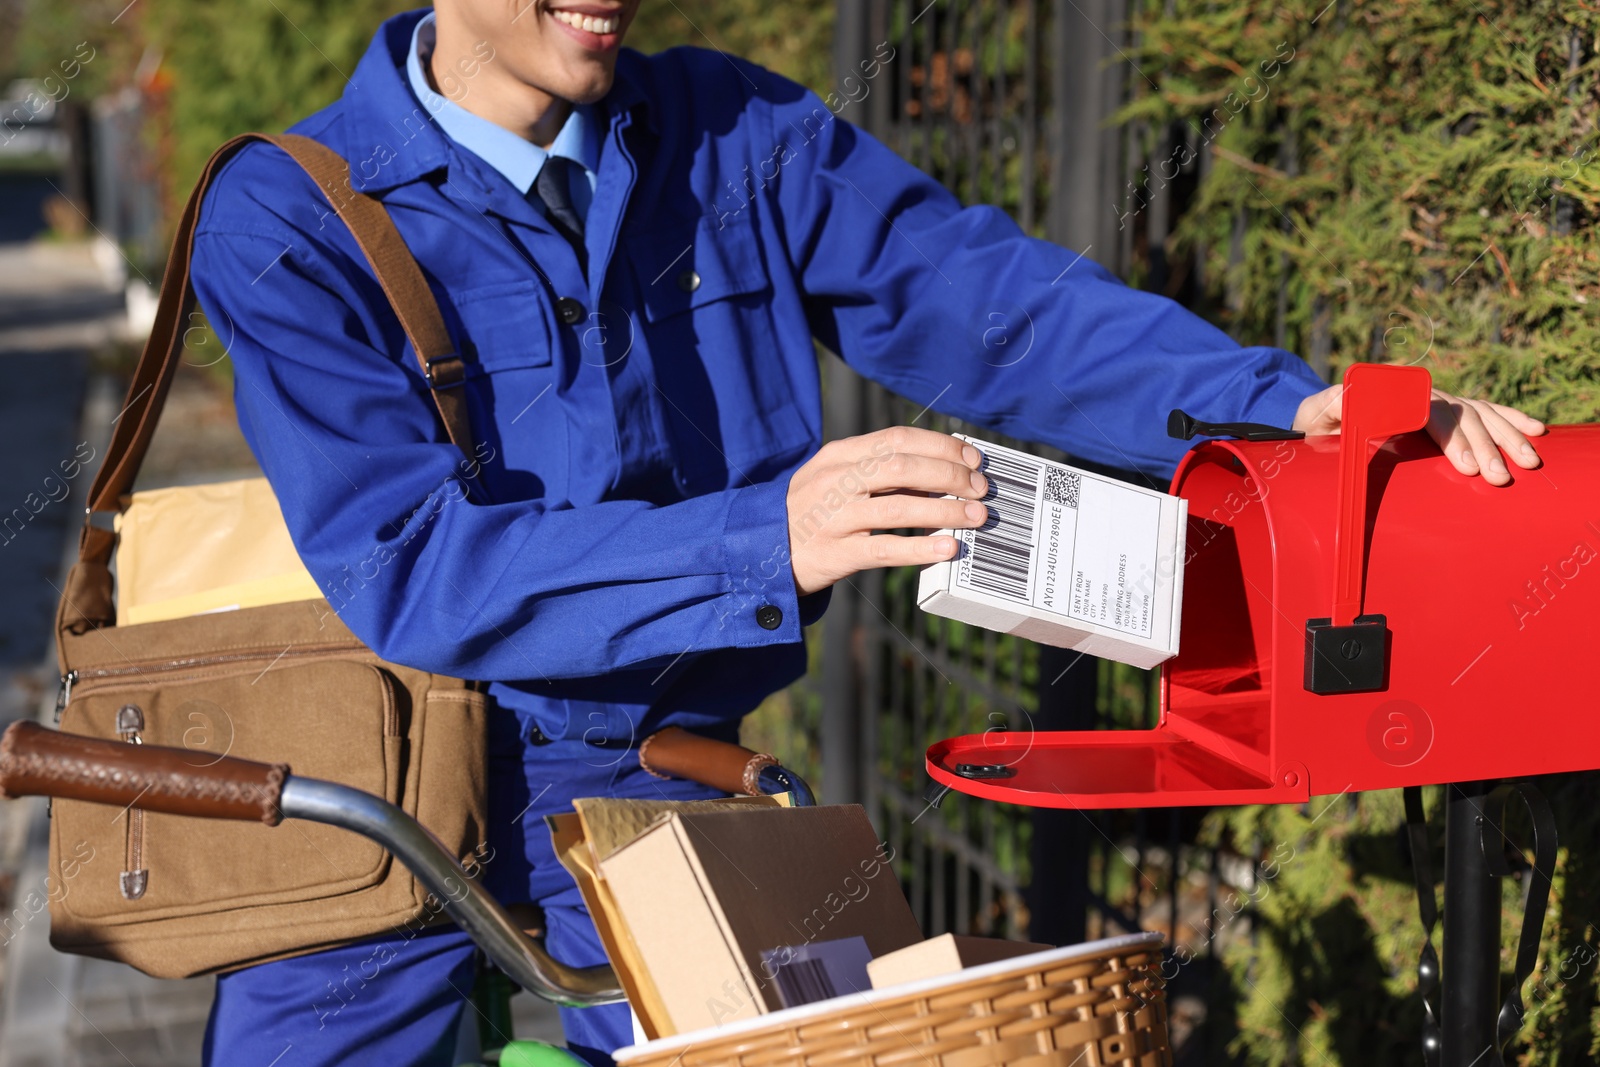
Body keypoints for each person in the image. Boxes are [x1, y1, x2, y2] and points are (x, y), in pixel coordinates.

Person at [188, 3, 1547, 1064]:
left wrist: (1284, 406)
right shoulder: (286, 215)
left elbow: (992, 308)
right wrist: (763, 536)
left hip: (664, 773)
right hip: (386, 778)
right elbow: (417, 566)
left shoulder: (730, 128)